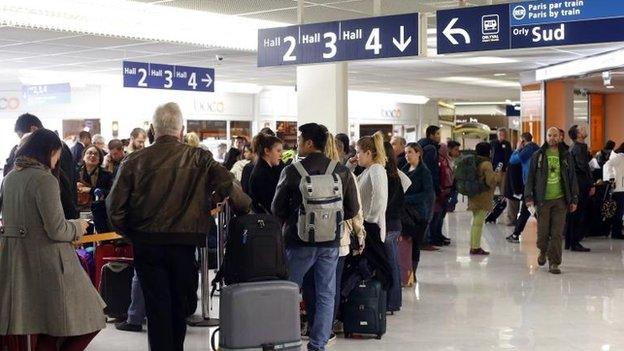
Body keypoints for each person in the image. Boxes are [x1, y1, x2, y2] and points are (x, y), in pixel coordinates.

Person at [106, 102, 251, 351]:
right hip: (185, 244)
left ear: (152, 129)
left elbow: (114, 209)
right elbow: (229, 183)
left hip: (148, 245)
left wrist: (133, 234)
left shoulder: (133, 161)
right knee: (180, 306)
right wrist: (246, 208)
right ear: (181, 130)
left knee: (157, 307)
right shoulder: (199, 157)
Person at [0, 129, 105, 350]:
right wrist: (78, 226)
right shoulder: (44, 179)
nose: (57, 160)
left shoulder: (10, 177)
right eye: (57, 153)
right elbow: (57, 229)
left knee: (47, 326)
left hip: (19, 263)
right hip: (51, 262)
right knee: (90, 316)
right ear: (49, 151)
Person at [272, 123, 359, 351]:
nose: (297, 144)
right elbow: (352, 208)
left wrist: (298, 217)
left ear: (309, 143)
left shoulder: (292, 171)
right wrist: (328, 219)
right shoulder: (341, 171)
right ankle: (318, 344)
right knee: (326, 294)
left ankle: (287, 342)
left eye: (300, 140)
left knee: (290, 291)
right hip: (330, 242)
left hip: (298, 241)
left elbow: (276, 208)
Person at [525, 127, 579, 275]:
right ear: (546, 136)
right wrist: (528, 197)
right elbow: (530, 177)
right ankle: (543, 250)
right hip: (542, 201)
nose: (552, 138)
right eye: (549, 135)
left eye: (555, 135)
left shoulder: (566, 155)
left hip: (561, 201)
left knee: (556, 233)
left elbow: (572, 178)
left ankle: (554, 262)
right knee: (543, 234)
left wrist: (574, 198)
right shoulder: (538, 155)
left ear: (560, 137)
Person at [5, 113, 78, 219]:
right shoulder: (27, 155)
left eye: (22, 135)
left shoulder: (55, 147)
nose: (22, 141)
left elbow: (65, 185)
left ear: (33, 129)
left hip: (58, 214)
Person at [402, 143, 434, 280]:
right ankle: (405, 270)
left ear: (418, 153)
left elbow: (427, 194)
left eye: (410, 152)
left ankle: (412, 274)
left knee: (415, 244)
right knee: (406, 243)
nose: (407, 155)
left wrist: (406, 199)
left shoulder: (424, 172)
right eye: (405, 153)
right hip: (405, 213)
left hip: (418, 214)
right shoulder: (404, 169)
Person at [350, 132, 388, 242]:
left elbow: (379, 196)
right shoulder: (367, 171)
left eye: (358, 152)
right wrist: (350, 167)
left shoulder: (376, 169)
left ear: (368, 153)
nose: (356, 156)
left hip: (371, 228)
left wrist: (370, 220)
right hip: (366, 226)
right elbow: (349, 185)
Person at [382, 141, 405, 313]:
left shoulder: (388, 177)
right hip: (393, 224)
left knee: (391, 263)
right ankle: (394, 301)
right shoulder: (395, 175)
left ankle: (392, 301)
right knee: (393, 262)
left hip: (388, 225)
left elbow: (387, 205)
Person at [467, 142, 501, 256]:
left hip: (473, 193)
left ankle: (473, 245)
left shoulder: (474, 161)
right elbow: (490, 181)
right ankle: (475, 247)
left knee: (475, 221)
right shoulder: (486, 164)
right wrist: (497, 175)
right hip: (482, 196)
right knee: (479, 222)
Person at [506, 132, 540, 243]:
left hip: (529, 184)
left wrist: (517, 149)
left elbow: (512, 160)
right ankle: (516, 233)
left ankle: (516, 234)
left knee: (527, 209)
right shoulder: (536, 147)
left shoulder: (527, 150)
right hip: (536, 183)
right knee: (529, 209)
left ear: (523, 141)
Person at [565, 125, 594, 252]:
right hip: (581, 185)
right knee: (579, 214)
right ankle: (575, 242)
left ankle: (570, 242)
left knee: (574, 214)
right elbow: (583, 167)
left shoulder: (576, 147)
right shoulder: (579, 147)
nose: (584, 129)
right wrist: (591, 184)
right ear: (578, 135)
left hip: (577, 184)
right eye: (581, 129)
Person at [417, 126, 441, 247]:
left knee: (424, 213)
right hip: (428, 185)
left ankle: (423, 240)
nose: (439, 136)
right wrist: (436, 187)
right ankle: (424, 241)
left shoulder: (421, 145)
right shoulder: (431, 148)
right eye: (437, 133)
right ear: (430, 135)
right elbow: (432, 170)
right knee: (428, 214)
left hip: (420, 184)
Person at [430, 143, 457, 246]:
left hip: (447, 190)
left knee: (441, 215)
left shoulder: (446, 160)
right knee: (437, 215)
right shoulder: (439, 161)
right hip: (441, 191)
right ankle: (434, 236)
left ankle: (439, 234)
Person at [249, 134, 283, 214]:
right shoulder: (261, 174)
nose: (281, 155)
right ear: (267, 151)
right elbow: (270, 203)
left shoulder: (269, 169)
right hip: (266, 221)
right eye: (278, 151)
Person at [491, 128, 516, 225]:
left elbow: (509, 155)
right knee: (491, 190)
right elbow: (491, 154)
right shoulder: (493, 143)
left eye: (503, 134)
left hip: (503, 169)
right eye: (500, 134)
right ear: (497, 134)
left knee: (503, 191)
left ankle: (500, 209)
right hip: (495, 169)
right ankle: (491, 211)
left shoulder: (507, 144)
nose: (502, 135)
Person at [76, 145, 113, 211]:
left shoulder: (107, 175)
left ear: (99, 159)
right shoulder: (75, 172)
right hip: (78, 209)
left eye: (96, 154)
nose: (92, 156)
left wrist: (91, 190)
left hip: (99, 210)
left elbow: (111, 193)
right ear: (84, 157)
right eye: (89, 153)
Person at [603, 143, 624, 240]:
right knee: (618, 212)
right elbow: (607, 164)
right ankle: (616, 233)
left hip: (620, 188)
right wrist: (611, 177)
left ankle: (615, 232)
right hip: (619, 188)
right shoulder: (620, 157)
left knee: (618, 212)